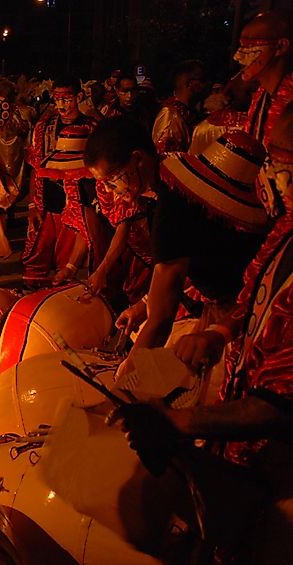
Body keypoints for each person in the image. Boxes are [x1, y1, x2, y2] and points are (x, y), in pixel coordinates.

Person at [111, 102, 293, 563]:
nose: (274, 179)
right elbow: (253, 298)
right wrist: (219, 335)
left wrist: (180, 423)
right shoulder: (285, 234)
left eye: (283, 167)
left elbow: (279, 407)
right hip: (244, 398)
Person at [87, 121, 266, 372]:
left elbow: (161, 320)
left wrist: (130, 377)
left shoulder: (172, 205)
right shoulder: (170, 177)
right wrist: (144, 304)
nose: (112, 193)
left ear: (137, 159)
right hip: (237, 303)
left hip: (244, 312)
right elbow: (191, 255)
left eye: (112, 181)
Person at [22, 78, 104, 288]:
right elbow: (36, 166)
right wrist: (33, 204)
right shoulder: (43, 126)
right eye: (57, 99)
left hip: (77, 203)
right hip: (46, 203)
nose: (62, 106)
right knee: (34, 264)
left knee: (67, 267)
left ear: (78, 97)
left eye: (67, 99)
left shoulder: (93, 127)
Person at [83, 117, 154, 306]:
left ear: (137, 159)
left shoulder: (169, 194)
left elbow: (123, 226)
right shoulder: (129, 186)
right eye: (102, 182)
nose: (107, 189)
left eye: (111, 180)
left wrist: (102, 270)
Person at [236, 10, 293, 220]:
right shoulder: (260, 96)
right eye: (241, 46)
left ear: (280, 47)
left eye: (250, 47)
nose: (239, 56)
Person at [151, 60, 208, 154]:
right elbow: (166, 162)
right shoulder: (170, 117)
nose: (207, 85)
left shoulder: (188, 113)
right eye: (203, 80)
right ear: (190, 83)